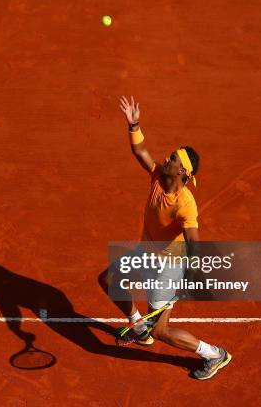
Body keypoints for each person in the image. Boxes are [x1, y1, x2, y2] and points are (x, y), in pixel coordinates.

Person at [103, 96, 232, 380]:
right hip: (146, 252)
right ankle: (139, 328)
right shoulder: (158, 176)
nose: (167, 158)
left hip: (167, 268)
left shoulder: (185, 203)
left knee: (162, 330)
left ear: (183, 172)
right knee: (109, 280)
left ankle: (214, 354)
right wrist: (134, 124)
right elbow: (140, 152)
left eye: (173, 158)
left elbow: (193, 239)